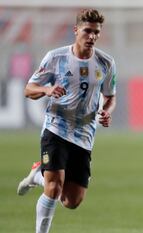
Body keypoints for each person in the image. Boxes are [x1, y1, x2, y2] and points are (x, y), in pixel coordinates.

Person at [17, 9, 116, 233]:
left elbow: (110, 96)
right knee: (54, 188)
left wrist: (107, 111)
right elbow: (28, 89)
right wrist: (47, 89)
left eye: (96, 32)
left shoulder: (106, 63)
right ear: (76, 30)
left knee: (72, 201)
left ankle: (37, 175)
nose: (92, 36)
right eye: (87, 31)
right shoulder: (56, 57)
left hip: (84, 134)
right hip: (56, 127)